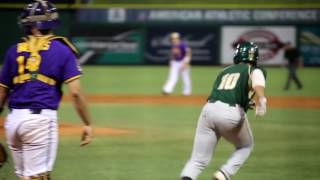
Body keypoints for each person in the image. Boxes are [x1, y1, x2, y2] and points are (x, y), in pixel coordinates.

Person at [0, 1, 93, 179]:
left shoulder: (14, 51)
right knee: (39, 177)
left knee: (26, 177)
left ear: (34, 25)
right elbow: (75, 92)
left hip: (13, 123)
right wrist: (87, 123)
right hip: (40, 122)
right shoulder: (63, 50)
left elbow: (2, 92)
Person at [180, 42, 267, 180]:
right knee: (246, 146)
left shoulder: (225, 70)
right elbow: (257, 82)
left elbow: (226, 90)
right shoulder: (255, 70)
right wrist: (261, 98)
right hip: (231, 114)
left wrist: (247, 100)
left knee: (198, 160)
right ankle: (224, 173)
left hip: (208, 110)